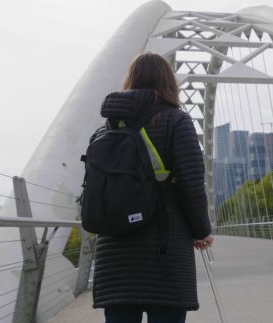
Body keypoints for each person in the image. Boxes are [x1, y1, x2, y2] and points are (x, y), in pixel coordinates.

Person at [90, 53, 214, 323]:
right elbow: (191, 184)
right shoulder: (175, 121)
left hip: (114, 257)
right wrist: (201, 230)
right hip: (164, 253)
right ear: (168, 82)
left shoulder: (104, 129)